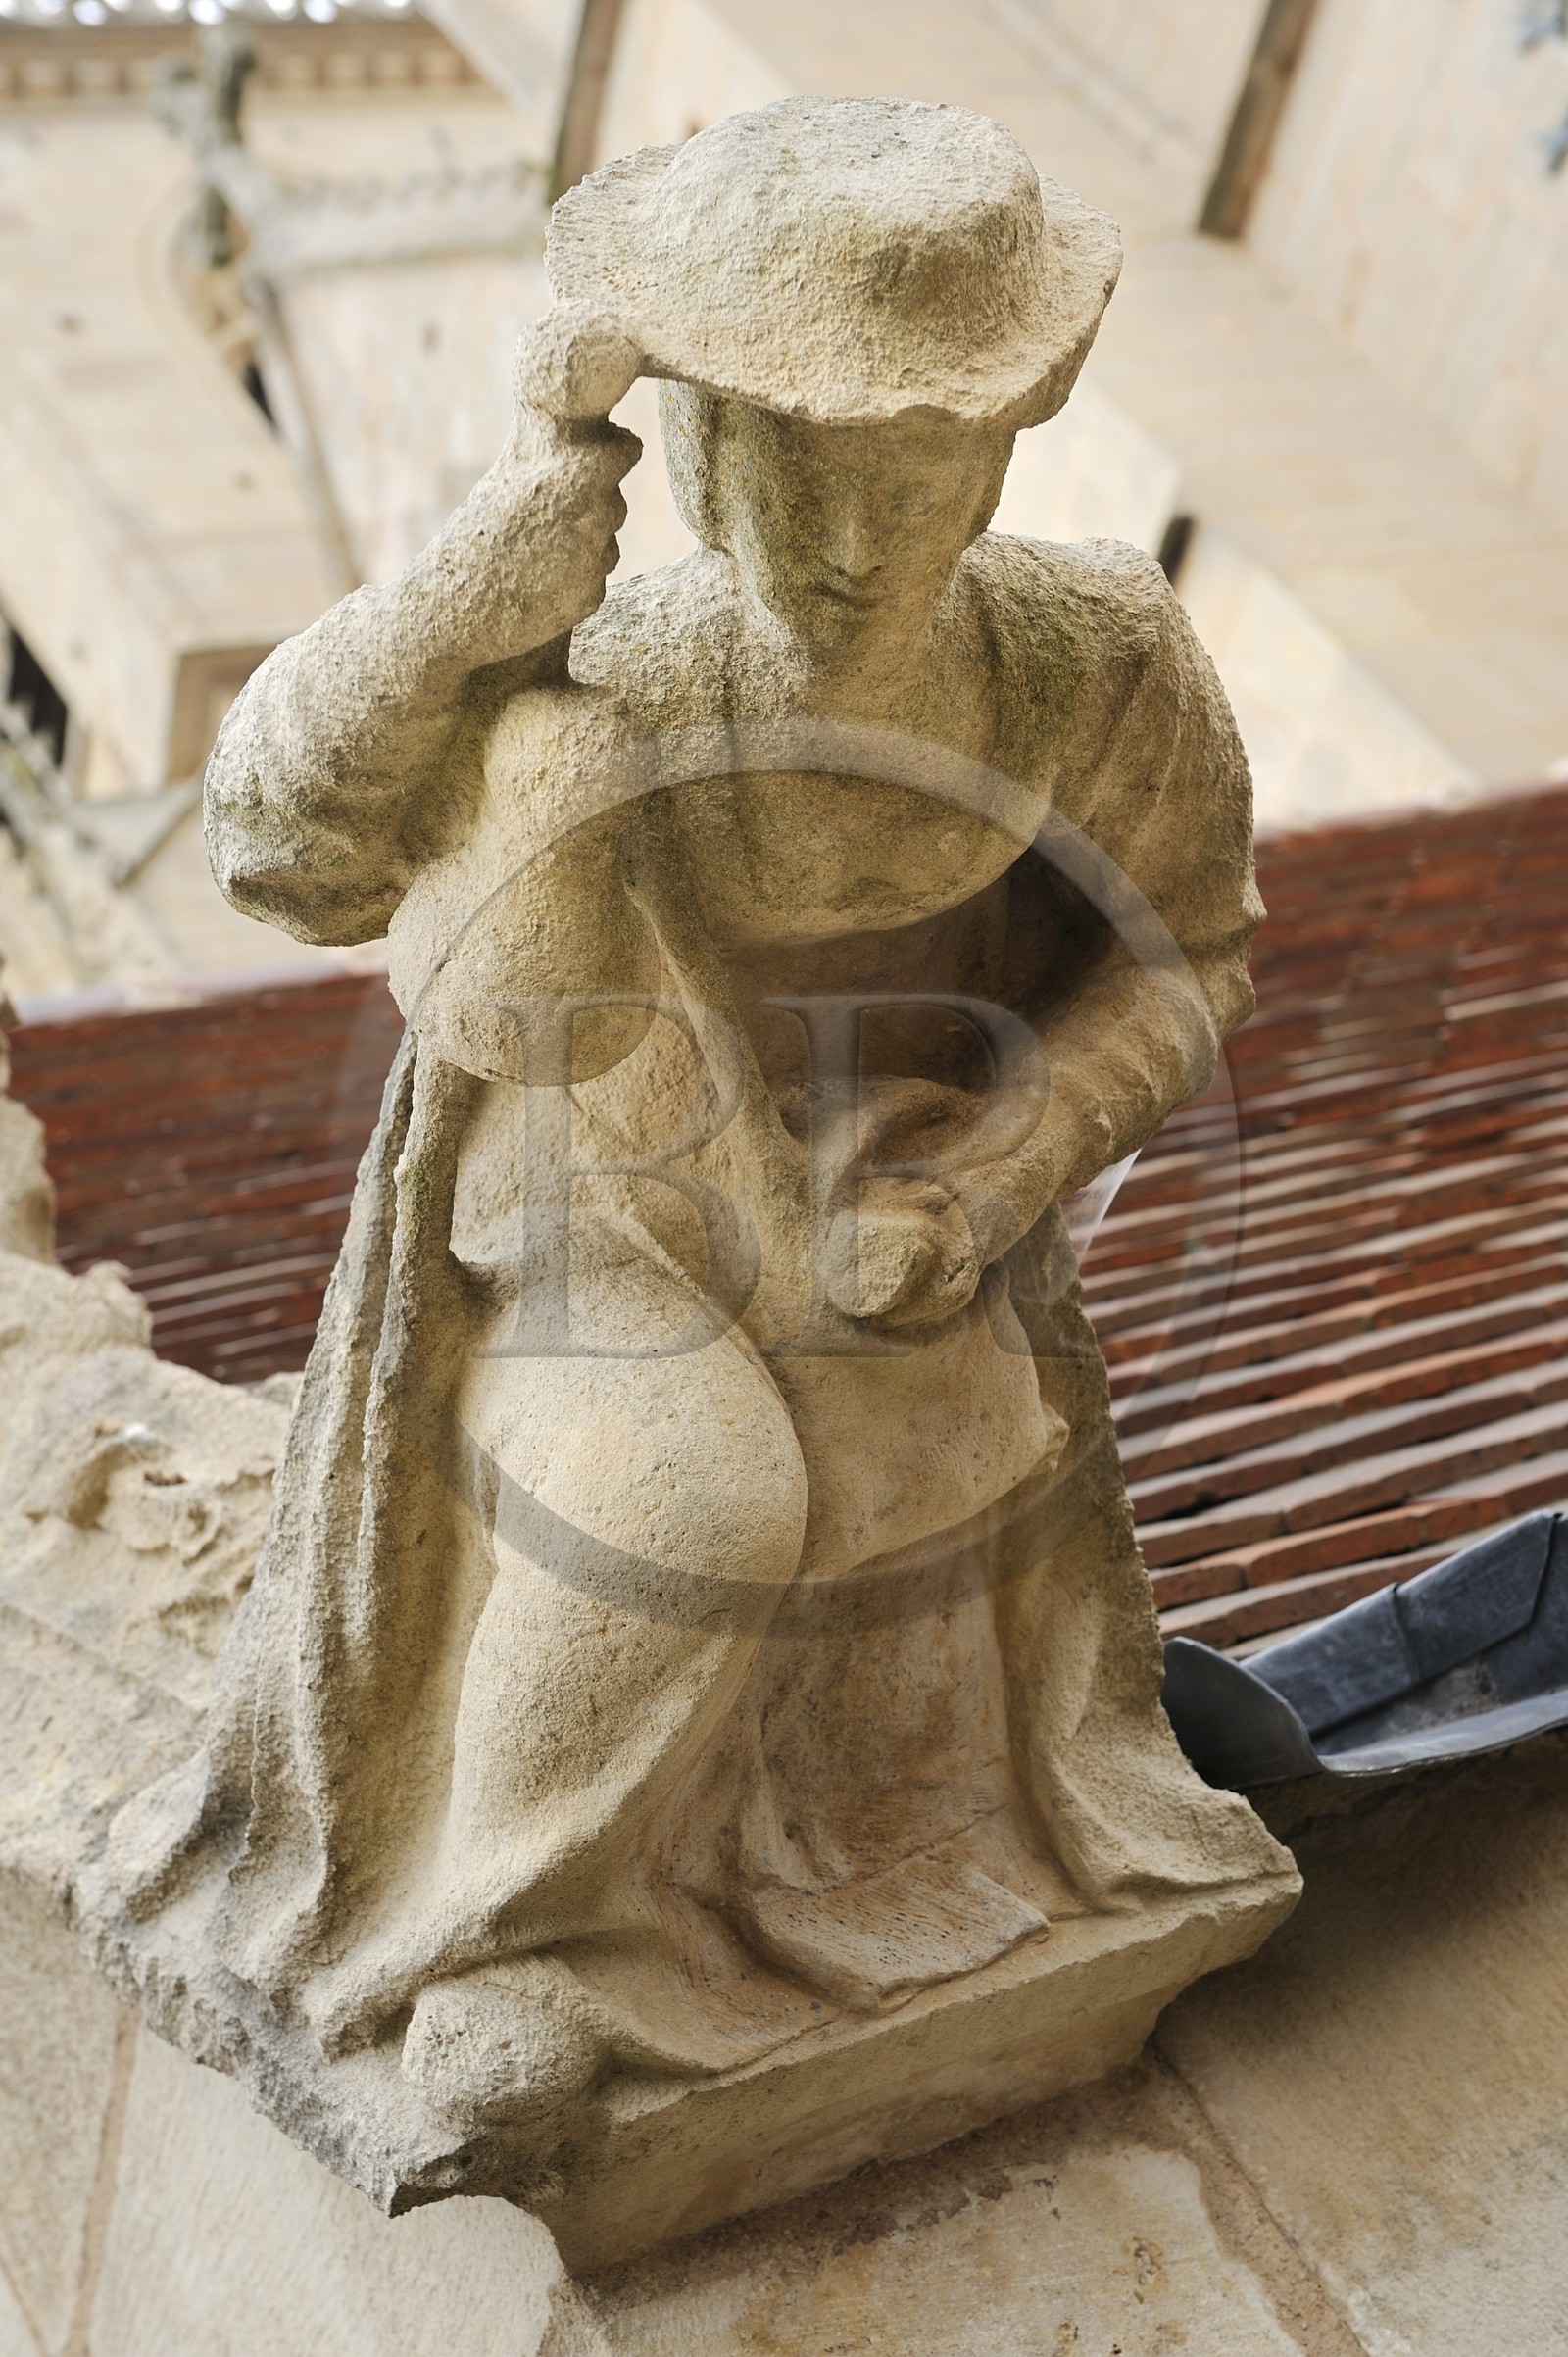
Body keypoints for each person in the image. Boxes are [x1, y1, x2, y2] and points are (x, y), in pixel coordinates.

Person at [189, 96, 1292, 2131]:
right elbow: (279, 852)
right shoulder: (594, 682)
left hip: (888, 1225)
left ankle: (902, 1890)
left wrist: (995, 1171)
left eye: (923, 464)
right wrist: (457, 599)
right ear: (692, 445)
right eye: (797, 465)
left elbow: (1185, 956)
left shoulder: (1087, 663)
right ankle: (511, 1941)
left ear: (1002, 443)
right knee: (678, 1496)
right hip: (602, 1236)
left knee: (944, 1448)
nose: (863, 537)